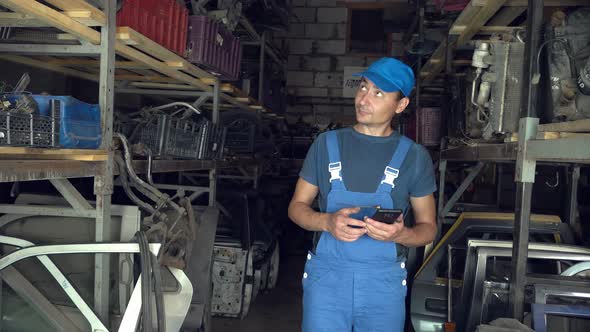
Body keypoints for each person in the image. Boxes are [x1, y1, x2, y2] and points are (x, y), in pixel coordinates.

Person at [288, 57, 437, 332]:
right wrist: (326, 222)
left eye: (379, 93)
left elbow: (428, 229)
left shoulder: (414, 157)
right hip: (327, 283)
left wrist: (400, 235)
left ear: (401, 105)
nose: (364, 99)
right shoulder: (326, 144)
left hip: (383, 287)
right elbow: (296, 207)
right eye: (364, 87)